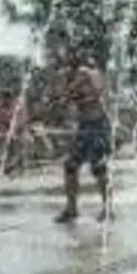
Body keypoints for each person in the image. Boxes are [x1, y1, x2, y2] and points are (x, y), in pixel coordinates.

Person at [56, 58, 113, 223]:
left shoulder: (91, 73)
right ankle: (71, 208)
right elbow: (62, 97)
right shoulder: (67, 77)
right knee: (70, 165)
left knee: (99, 167)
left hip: (98, 125)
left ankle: (107, 208)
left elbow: (100, 91)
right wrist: (70, 87)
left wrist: (81, 82)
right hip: (83, 126)